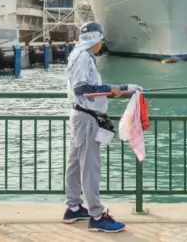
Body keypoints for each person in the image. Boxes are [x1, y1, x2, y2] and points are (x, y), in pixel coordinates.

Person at [62, 21, 140, 233]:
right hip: (86, 118)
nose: (101, 44)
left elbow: (83, 89)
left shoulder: (76, 54)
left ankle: (73, 207)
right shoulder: (84, 57)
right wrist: (118, 89)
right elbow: (82, 89)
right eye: (101, 40)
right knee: (90, 167)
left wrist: (118, 90)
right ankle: (97, 216)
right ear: (95, 39)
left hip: (79, 115)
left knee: (75, 163)